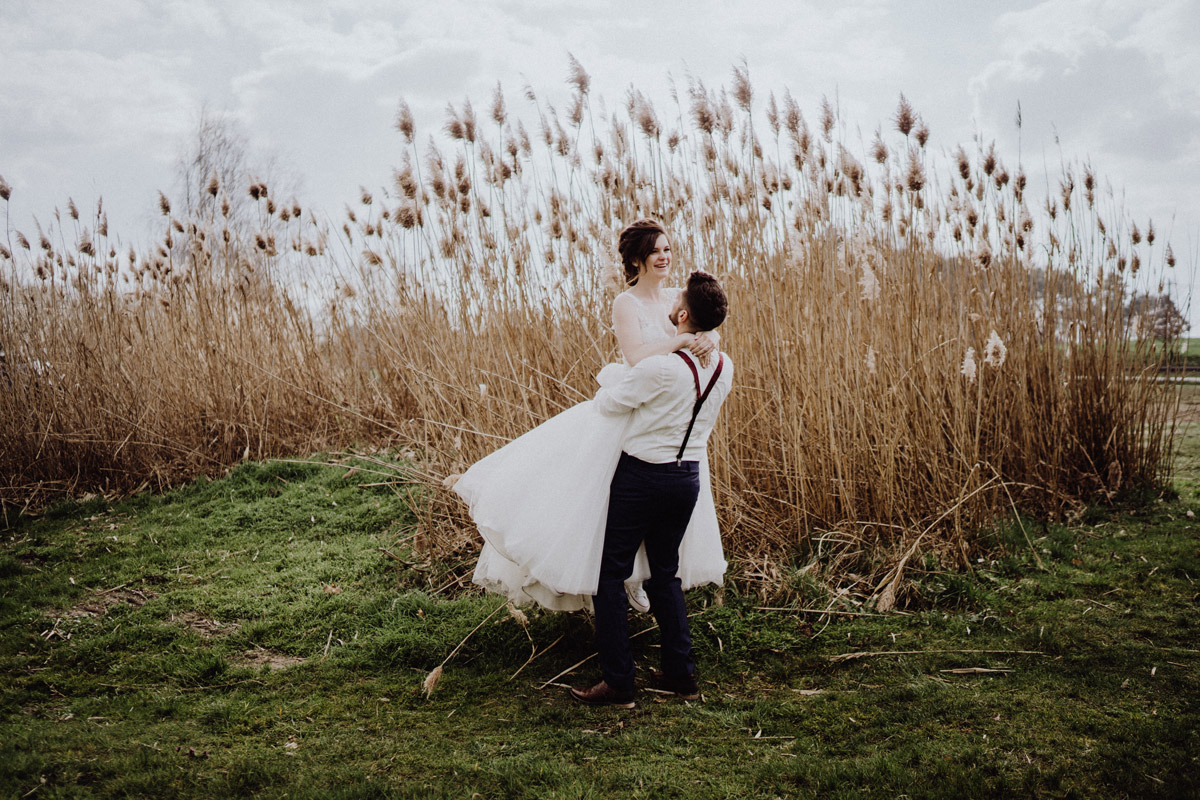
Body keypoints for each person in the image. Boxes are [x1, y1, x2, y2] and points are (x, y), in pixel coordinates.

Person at [452, 219, 726, 613]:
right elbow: (634, 357)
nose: (664, 258)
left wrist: (708, 336)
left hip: (665, 421)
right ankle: (613, 584)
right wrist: (681, 340)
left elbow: (705, 325)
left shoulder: (676, 298)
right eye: (655, 252)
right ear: (636, 260)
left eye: (667, 249)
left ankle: (639, 581)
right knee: (601, 505)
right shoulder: (625, 303)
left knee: (653, 516)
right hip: (629, 412)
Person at [570, 271, 733, 708]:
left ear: (681, 314)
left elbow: (608, 404)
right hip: (688, 479)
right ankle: (682, 676)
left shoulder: (660, 369)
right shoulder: (723, 364)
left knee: (609, 574)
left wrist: (613, 379)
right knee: (666, 574)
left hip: (642, 477)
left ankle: (620, 683)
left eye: (678, 297)